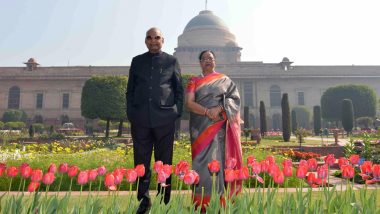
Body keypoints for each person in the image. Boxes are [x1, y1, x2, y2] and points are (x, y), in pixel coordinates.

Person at [126, 27, 183, 214]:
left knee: (164, 162)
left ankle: (163, 201)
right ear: (145, 41)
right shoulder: (137, 61)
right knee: (141, 163)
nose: (153, 41)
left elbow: (178, 89)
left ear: (162, 40)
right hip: (141, 119)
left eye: (157, 38)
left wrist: (176, 112)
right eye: (150, 38)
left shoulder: (171, 61)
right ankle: (143, 201)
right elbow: (130, 90)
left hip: (165, 119)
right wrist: (131, 113)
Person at [185, 50, 243, 209]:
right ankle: (201, 205)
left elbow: (235, 99)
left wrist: (219, 108)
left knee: (218, 162)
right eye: (204, 59)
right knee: (201, 166)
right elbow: (189, 103)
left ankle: (221, 203)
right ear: (200, 63)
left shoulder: (225, 80)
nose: (207, 61)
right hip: (199, 130)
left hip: (219, 130)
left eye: (210, 58)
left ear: (215, 61)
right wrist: (206, 112)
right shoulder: (193, 81)